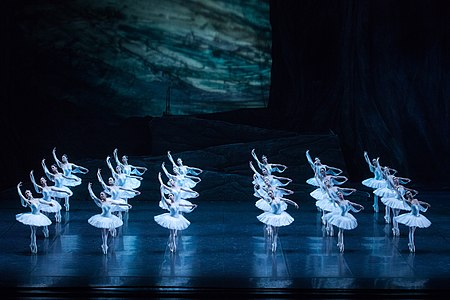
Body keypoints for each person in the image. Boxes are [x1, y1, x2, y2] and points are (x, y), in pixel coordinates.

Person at [87, 183, 131, 254]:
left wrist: (127, 204)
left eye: (102, 194)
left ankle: (106, 242)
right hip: (103, 218)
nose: (101, 195)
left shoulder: (110, 201)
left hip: (110, 217)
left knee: (107, 231)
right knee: (103, 231)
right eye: (100, 195)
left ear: (105, 195)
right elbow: (93, 196)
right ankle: (104, 244)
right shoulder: (100, 202)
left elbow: (118, 204)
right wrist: (89, 188)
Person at [16, 182, 53, 253]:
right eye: (26, 193)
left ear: (31, 193)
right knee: (33, 231)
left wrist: (49, 203)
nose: (27, 194)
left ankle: (43, 233)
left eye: (28, 192)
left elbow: (43, 202)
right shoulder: (28, 201)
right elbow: (21, 195)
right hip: (32, 217)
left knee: (37, 229)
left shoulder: (37, 199)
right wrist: (18, 187)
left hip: (39, 216)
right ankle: (33, 244)